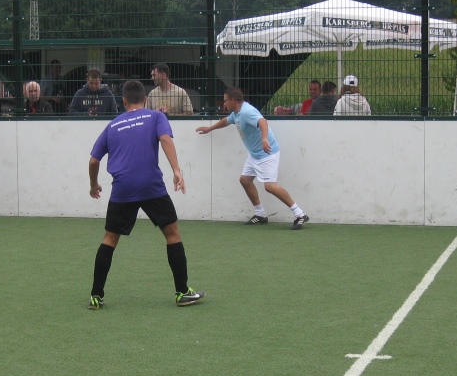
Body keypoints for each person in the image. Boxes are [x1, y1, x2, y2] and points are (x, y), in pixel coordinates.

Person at [88, 79, 203, 310]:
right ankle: (182, 292)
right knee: (172, 234)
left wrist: (94, 185)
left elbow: (93, 160)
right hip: (151, 186)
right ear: (146, 99)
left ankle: (96, 296)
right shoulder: (155, 116)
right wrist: (177, 171)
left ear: (123, 101)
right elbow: (165, 139)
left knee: (110, 239)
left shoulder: (112, 125)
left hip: (123, 187)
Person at [196, 86, 309, 229]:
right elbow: (226, 120)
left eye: (225, 101)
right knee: (245, 180)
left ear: (233, 100)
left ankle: (300, 214)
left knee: (270, 186)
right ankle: (260, 214)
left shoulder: (246, 112)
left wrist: (264, 139)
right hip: (255, 154)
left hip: (267, 153)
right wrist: (209, 128)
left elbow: (263, 121)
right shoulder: (236, 113)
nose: (224, 104)